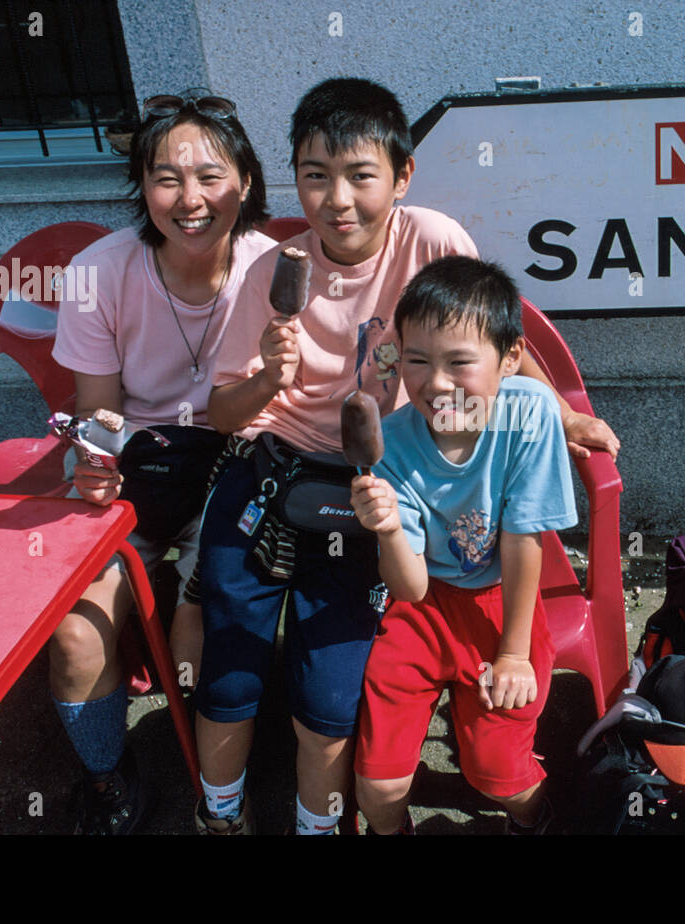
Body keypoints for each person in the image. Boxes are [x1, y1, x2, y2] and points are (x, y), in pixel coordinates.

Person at [192, 76, 617, 835]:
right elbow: (222, 416)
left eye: (360, 176)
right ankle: (218, 811)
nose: (337, 200)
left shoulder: (432, 240)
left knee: (329, 688)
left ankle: (321, 817)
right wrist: (266, 377)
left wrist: (564, 413)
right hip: (274, 464)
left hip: (384, 473)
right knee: (230, 664)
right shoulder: (270, 272)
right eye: (315, 176)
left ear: (401, 175)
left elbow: (486, 341)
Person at [50, 91, 274, 834]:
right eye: (166, 177)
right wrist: (92, 459)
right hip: (139, 468)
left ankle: (229, 768)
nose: (190, 198)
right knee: (77, 633)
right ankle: (109, 775)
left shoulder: (278, 269)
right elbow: (98, 414)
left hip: (238, 463)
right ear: (142, 187)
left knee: (209, 624)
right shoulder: (96, 271)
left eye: (210, 175)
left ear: (245, 178)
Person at [350, 256, 575, 834]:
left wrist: (514, 653)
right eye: (418, 361)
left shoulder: (530, 417)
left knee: (497, 772)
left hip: (504, 603)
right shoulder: (390, 444)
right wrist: (388, 528)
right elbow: (410, 586)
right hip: (420, 612)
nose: (438, 382)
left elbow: (526, 540)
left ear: (510, 359)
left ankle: (536, 817)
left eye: (460, 362)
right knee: (378, 786)